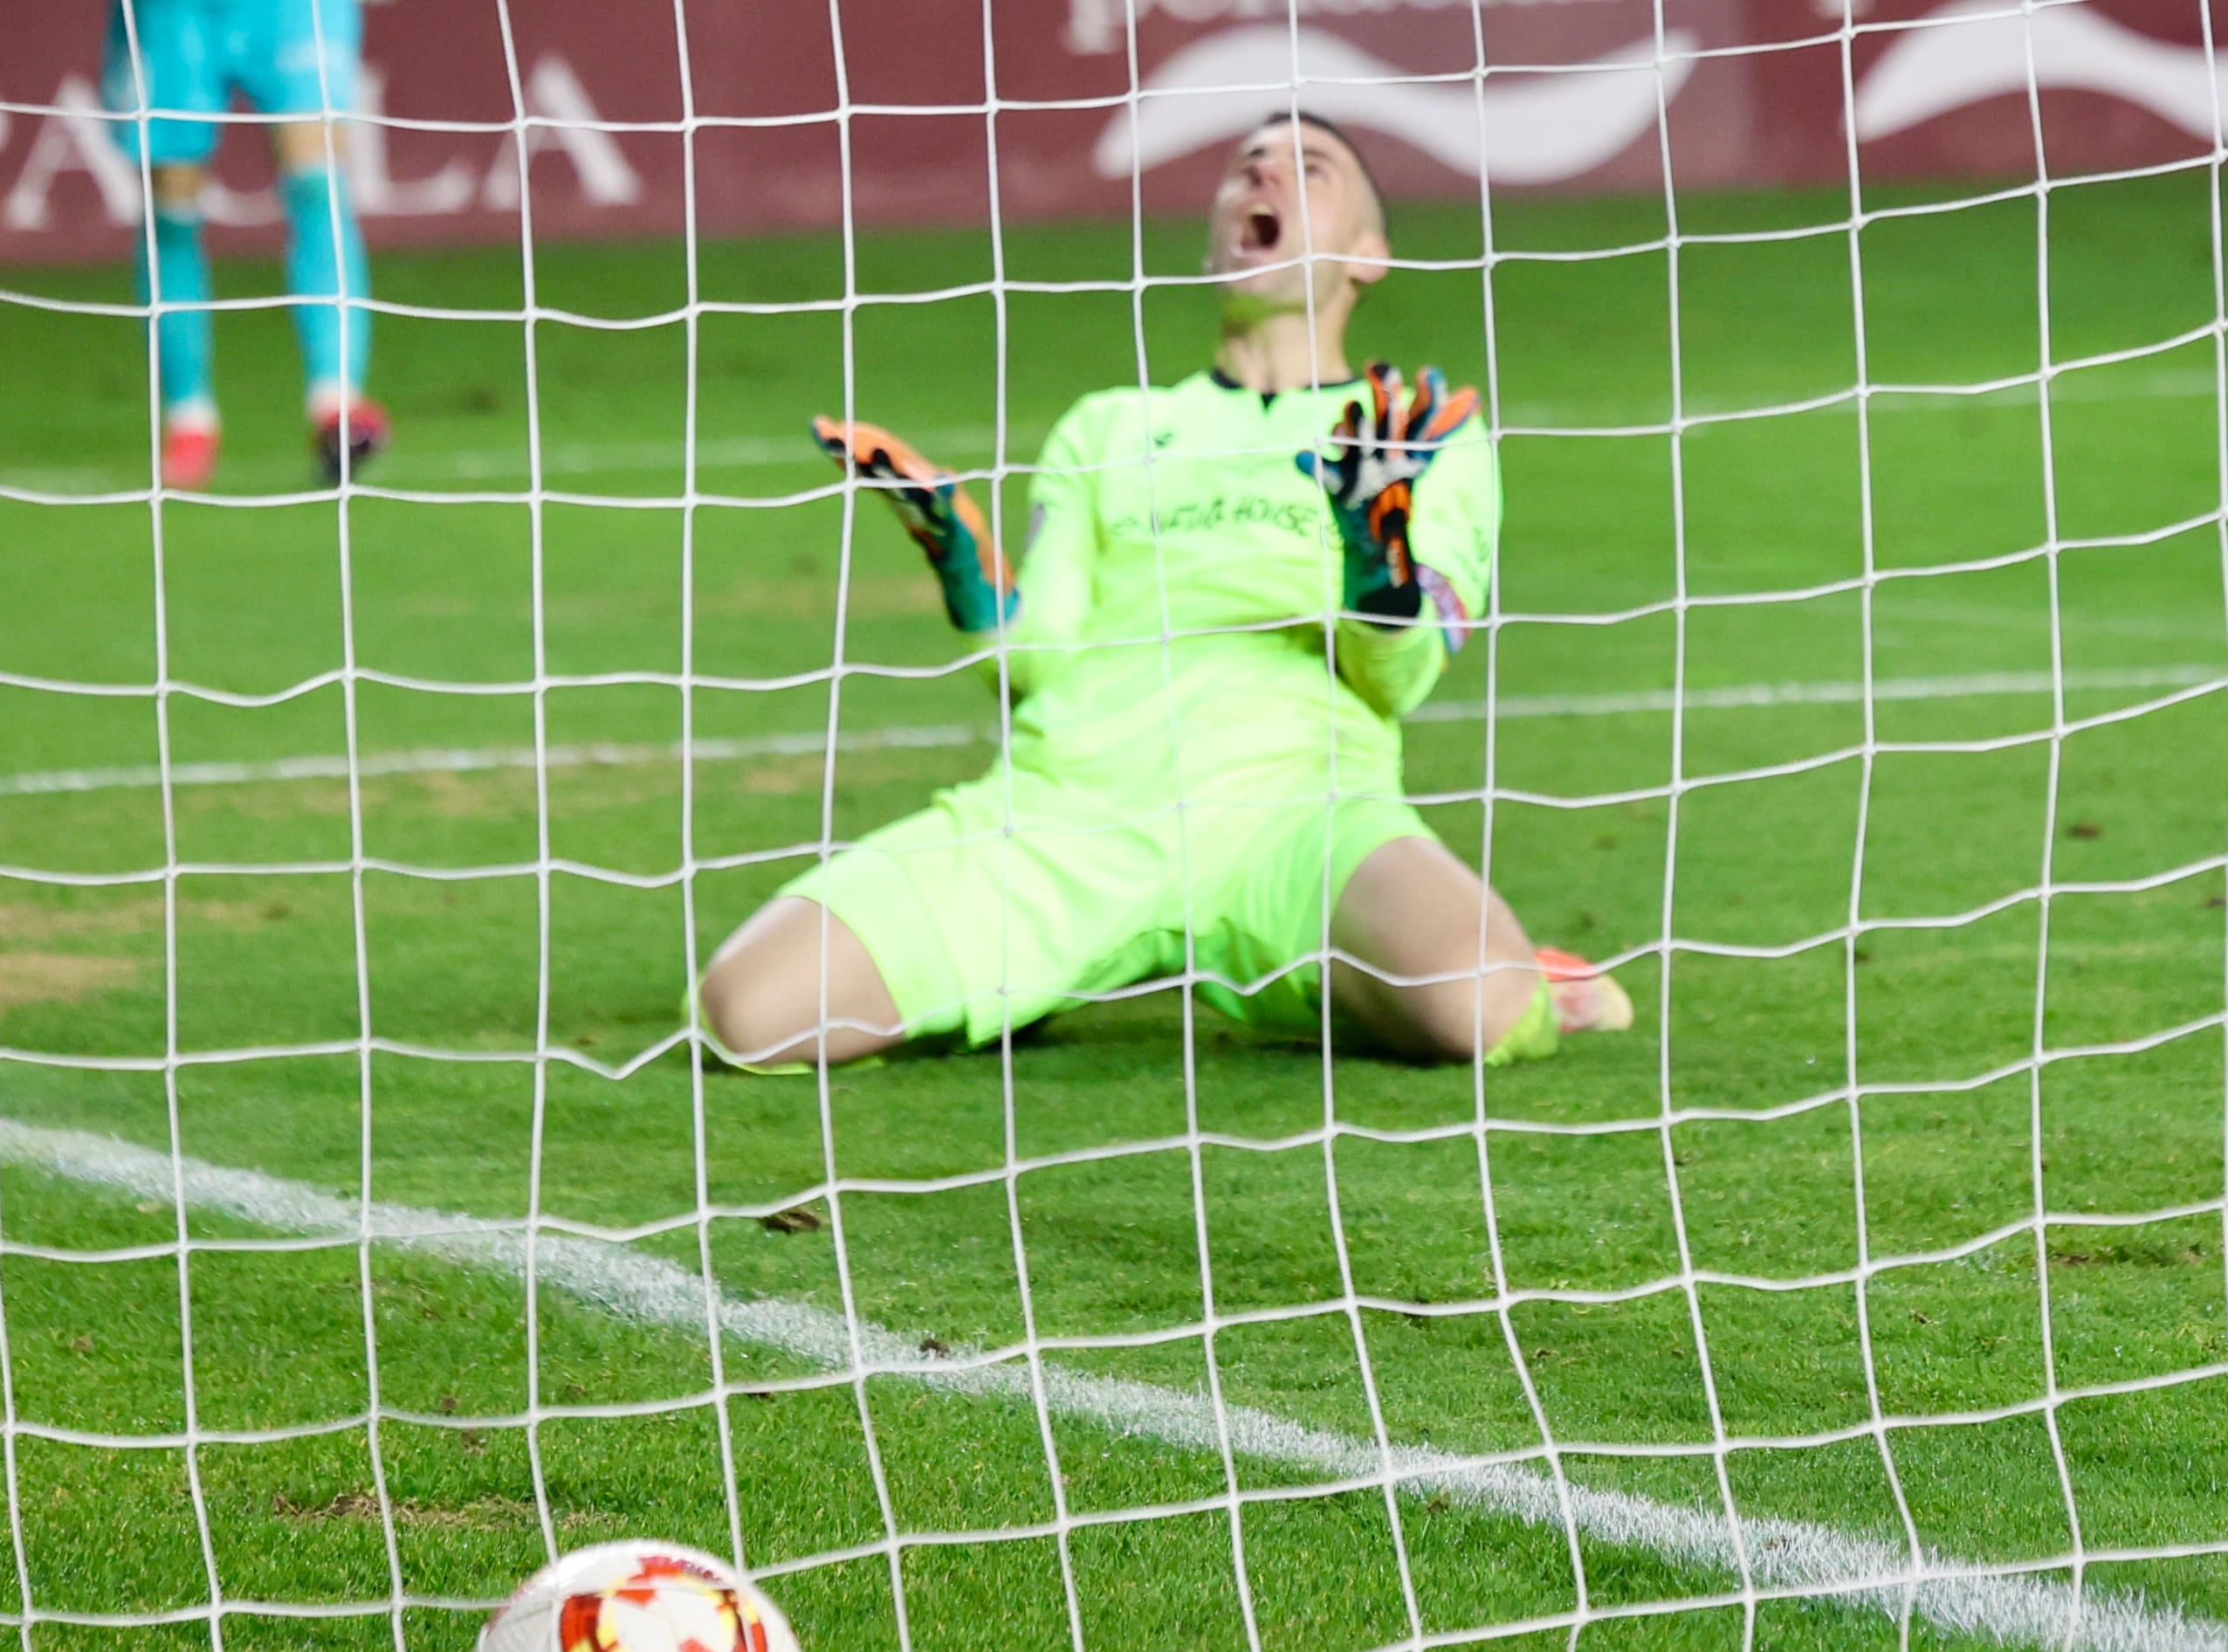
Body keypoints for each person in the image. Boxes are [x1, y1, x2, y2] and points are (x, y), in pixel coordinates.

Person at [695, 113, 1632, 1070]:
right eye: (1244, 167)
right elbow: (1039, 667)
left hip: (1297, 814)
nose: (1260, 178)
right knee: (747, 1014)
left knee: (1477, 1007)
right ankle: (1045, 968)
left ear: (1369, 256)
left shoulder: (1416, 438)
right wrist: (960, 558)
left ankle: (1474, 976)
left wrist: (1371, 550)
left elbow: (1395, 681)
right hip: (1073, 817)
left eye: (1306, 169)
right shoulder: (1108, 427)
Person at [103, 0, 389, 487]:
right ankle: (189, 418)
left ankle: (337, 401)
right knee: (172, 202)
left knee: (317, 179)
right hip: (176, 13)